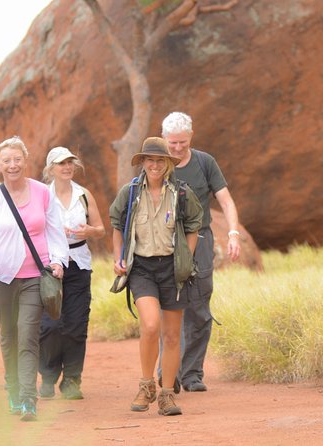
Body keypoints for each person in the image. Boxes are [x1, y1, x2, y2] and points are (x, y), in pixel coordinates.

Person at [0, 136, 68, 421]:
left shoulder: (42, 193)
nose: (12, 165)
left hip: (35, 276)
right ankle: (12, 391)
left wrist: (59, 260)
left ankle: (28, 398)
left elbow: (55, 232)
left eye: (17, 159)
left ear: (25, 161)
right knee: (9, 336)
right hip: (1, 277)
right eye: (6, 161)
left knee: (27, 334)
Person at [109, 137, 202, 416]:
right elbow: (116, 225)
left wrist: (187, 259)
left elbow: (194, 226)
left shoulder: (181, 193)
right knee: (150, 326)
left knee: (172, 335)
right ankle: (146, 383)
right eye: (150, 159)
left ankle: (166, 394)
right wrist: (119, 257)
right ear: (143, 162)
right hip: (142, 268)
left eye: (160, 160)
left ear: (168, 164)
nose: (155, 165)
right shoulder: (131, 192)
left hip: (172, 269)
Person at [161, 111, 241, 392]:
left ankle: (192, 373)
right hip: (165, 244)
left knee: (198, 307)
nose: (178, 148)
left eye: (182, 142)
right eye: (173, 143)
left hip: (202, 241)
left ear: (191, 137)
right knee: (169, 306)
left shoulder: (205, 162)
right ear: (164, 139)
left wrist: (233, 233)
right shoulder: (156, 164)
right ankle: (167, 372)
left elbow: (226, 201)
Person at [38, 146, 106, 400]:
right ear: (50, 169)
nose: (67, 167)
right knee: (51, 324)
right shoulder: (42, 195)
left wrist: (89, 231)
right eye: (61, 163)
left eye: (70, 163)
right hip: (51, 265)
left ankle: (72, 380)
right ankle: (47, 376)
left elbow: (100, 229)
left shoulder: (83, 195)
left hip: (79, 263)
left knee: (77, 324)